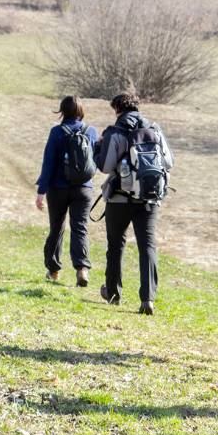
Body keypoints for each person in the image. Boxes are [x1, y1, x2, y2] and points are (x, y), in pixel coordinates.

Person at [95, 91, 174, 316]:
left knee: (115, 244)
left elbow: (106, 167)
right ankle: (148, 298)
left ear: (117, 109)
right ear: (137, 107)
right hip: (149, 198)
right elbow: (168, 162)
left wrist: (98, 147)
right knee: (147, 246)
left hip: (119, 198)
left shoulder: (115, 132)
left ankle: (112, 293)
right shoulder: (154, 130)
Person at [35, 95, 99, 287]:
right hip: (83, 189)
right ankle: (82, 269)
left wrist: (41, 191)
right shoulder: (91, 131)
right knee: (80, 228)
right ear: (81, 111)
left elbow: (49, 163)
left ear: (62, 110)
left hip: (58, 188)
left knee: (57, 228)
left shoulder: (56, 132)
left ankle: (53, 270)